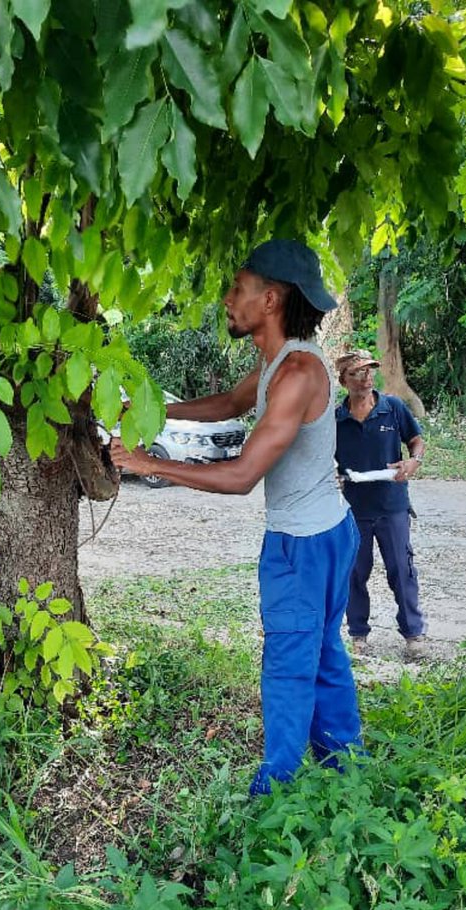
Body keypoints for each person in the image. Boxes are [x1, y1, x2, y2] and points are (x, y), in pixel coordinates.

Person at [111, 239, 363, 795]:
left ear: (270, 299)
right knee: (321, 650)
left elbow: (242, 476)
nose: (228, 299)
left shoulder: (298, 372)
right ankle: (348, 769)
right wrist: (149, 409)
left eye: (238, 288)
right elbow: (229, 404)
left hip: (302, 544)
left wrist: (148, 463)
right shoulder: (280, 358)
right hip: (328, 531)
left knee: (289, 663)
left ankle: (274, 793)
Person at [334, 349, 426, 656]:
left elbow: (416, 440)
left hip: (392, 506)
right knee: (355, 572)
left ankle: (414, 636)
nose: (365, 377)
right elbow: (325, 459)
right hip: (353, 510)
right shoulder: (336, 418)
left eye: (369, 370)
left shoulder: (393, 407)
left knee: (402, 569)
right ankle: (358, 635)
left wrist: (414, 461)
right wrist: (331, 474)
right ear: (343, 380)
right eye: (357, 372)